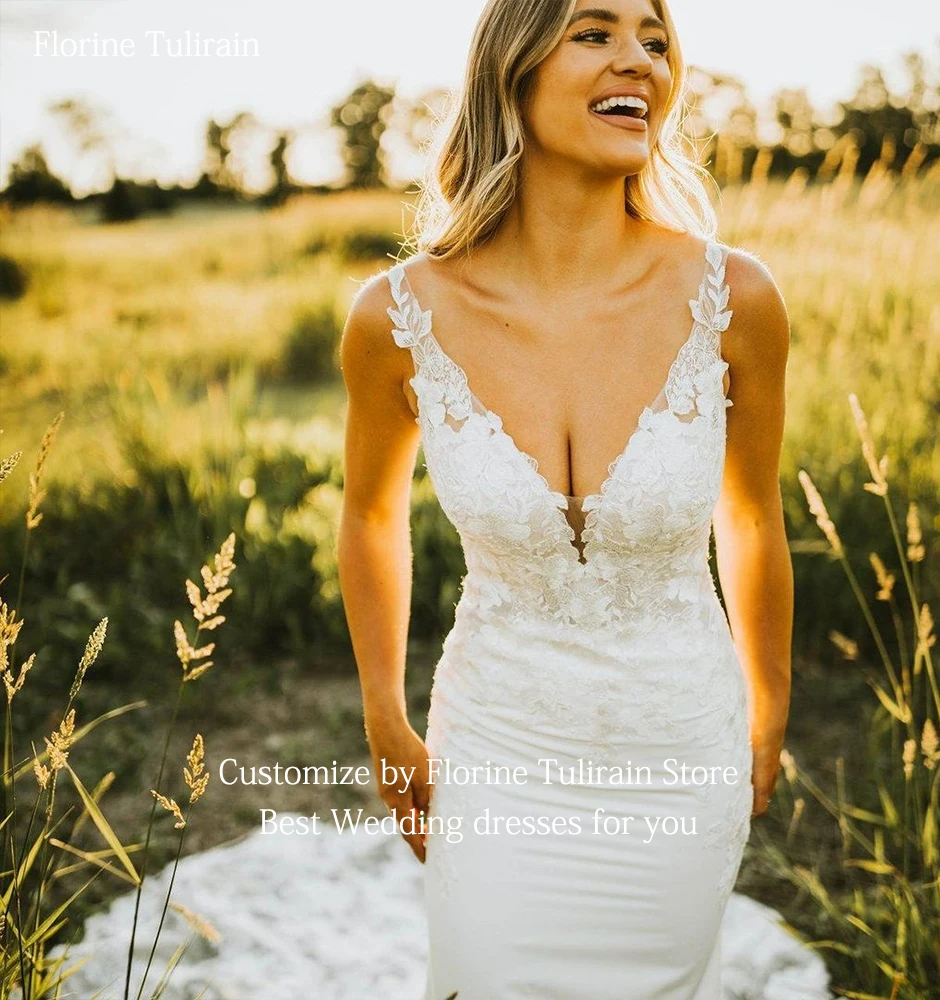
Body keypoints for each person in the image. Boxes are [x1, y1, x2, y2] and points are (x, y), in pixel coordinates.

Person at [337, 0, 793, 995]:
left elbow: (751, 516)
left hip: (681, 749)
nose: (639, 58)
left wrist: (770, 709)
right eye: (595, 32)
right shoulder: (397, 318)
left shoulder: (736, 301)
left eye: (655, 39)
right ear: (514, 68)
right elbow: (371, 515)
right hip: (499, 743)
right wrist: (384, 714)